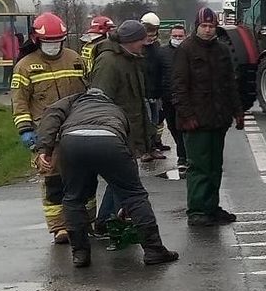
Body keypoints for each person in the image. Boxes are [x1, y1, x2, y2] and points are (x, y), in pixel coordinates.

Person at [33, 87, 178, 268]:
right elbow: (128, 149)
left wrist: (43, 150)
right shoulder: (115, 108)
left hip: (72, 142)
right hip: (110, 139)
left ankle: (80, 254)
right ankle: (154, 250)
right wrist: (127, 198)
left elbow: (51, 117)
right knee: (134, 196)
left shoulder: (71, 101)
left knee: (73, 198)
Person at [10, 12, 88, 245]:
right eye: (48, 42)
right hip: (46, 134)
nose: (53, 46)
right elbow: (20, 101)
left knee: (83, 179)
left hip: (76, 129)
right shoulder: (25, 66)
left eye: (57, 41)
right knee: (53, 182)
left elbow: (87, 91)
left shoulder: (74, 59)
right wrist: (25, 130)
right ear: (37, 40)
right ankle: (59, 227)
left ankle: (86, 222)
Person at [173, 4, 243, 227]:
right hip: (196, 121)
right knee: (199, 167)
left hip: (217, 118)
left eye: (211, 26)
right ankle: (197, 210)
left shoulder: (222, 50)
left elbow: (230, 84)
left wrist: (237, 111)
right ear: (197, 27)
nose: (208, 30)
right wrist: (187, 115)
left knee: (215, 166)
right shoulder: (186, 49)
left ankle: (211, 207)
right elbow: (179, 86)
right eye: (204, 26)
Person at [87, 20, 153, 233]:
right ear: (131, 41)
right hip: (114, 132)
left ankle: (107, 220)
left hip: (127, 130)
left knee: (121, 179)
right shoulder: (109, 62)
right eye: (141, 40)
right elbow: (100, 99)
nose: (145, 43)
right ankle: (111, 221)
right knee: (123, 178)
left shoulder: (130, 59)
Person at [156, 23, 188, 167]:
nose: (177, 38)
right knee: (173, 127)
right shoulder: (162, 53)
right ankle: (183, 152)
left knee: (184, 128)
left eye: (180, 36)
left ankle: (183, 157)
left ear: (185, 36)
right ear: (170, 36)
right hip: (167, 98)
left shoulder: (189, 52)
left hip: (186, 98)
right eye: (174, 36)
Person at [139, 11, 168, 160]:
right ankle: (145, 150)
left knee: (156, 121)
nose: (151, 38)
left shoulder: (157, 48)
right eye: (148, 36)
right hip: (143, 93)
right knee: (147, 122)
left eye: (153, 35)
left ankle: (154, 146)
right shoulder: (137, 50)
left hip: (156, 93)